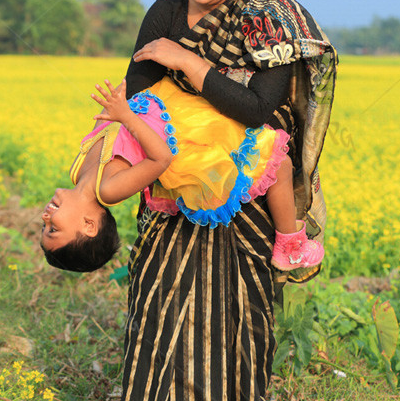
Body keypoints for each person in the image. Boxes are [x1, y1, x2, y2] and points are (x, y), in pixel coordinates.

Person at [79, 0, 338, 401]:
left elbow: (259, 111)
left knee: (231, 323)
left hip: (241, 205)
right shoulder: (166, 12)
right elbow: (139, 101)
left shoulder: (272, 22)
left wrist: (190, 63)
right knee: (160, 314)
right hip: (169, 190)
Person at [40, 75, 323, 274]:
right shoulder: (109, 190)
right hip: (182, 137)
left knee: (275, 159)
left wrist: (115, 105)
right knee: (278, 163)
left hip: (160, 106)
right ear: (89, 226)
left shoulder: (77, 172)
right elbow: (160, 158)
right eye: (53, 229)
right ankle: (289, 244)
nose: (45, 218)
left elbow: (112, 129)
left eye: (45, 227)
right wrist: (125, 115)